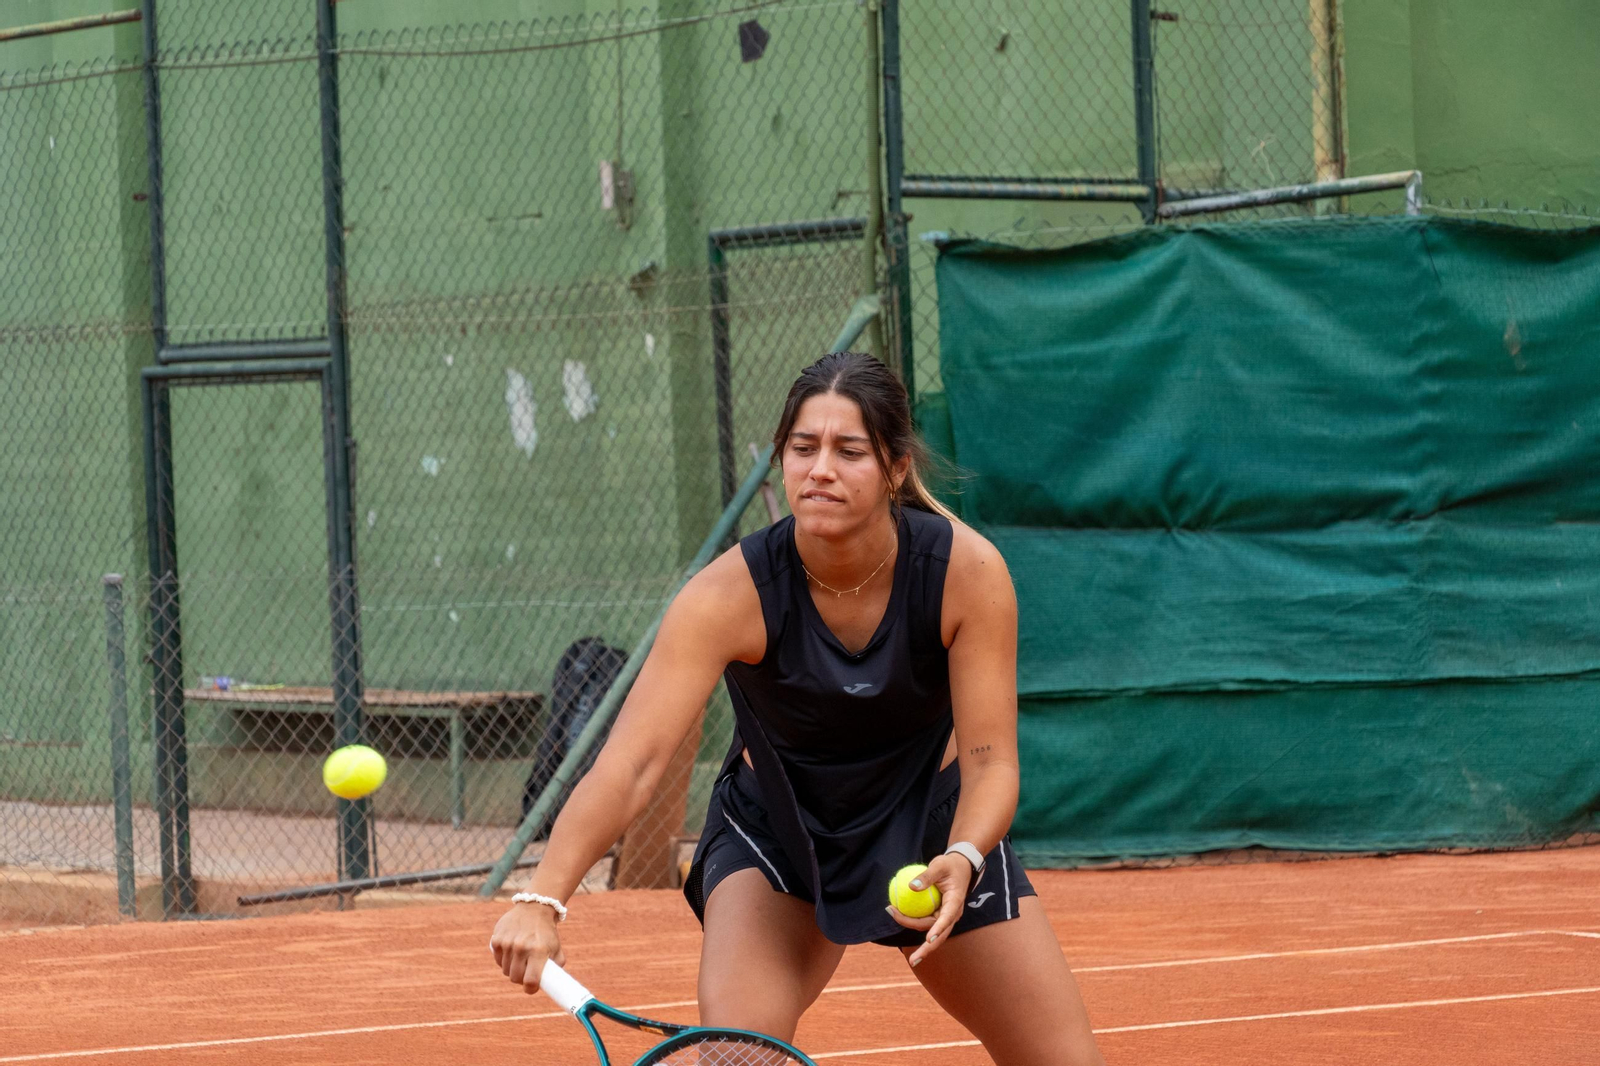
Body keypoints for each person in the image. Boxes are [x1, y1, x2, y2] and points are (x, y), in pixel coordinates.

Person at [491, 352, 1105, 1065]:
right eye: (802, 448)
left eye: (849, 452)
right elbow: (632, 763)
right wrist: (542, 900)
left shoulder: (965, 573)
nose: (820, 470)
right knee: (740, 1061)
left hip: (935, 833)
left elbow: (992, 760)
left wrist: (965, 856)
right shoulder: (726, 596)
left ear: (896, 468)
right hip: (779, 840)